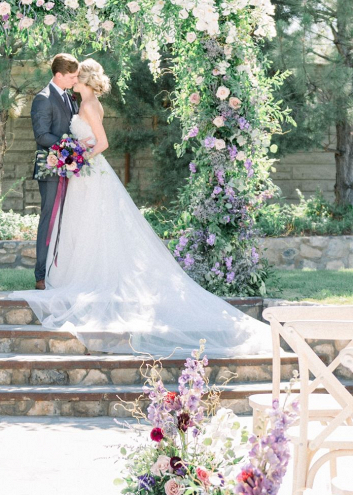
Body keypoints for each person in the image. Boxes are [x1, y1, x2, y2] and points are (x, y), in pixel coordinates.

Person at [22, 58, 273, 359]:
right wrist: (73, 156)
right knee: (85, 224)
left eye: (77, 77)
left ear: (84, 80)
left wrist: (78, 157)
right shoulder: (82, 102)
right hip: (82, 173)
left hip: (87, 170)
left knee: (90, 223)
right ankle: (71, 274)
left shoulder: (88, 106)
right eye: (71, 77)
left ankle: (86, 276)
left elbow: (101, 143)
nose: (73, 81)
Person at [31, 53, 80, 290]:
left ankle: (62, 271)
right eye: (71, 76)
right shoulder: (43, 98)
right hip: (51, 168)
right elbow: (41, 135)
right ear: (58, 75)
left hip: (71, 169)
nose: (75, 80)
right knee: (49, 219)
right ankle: (41, 275)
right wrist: (69, 149)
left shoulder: (70, 97)